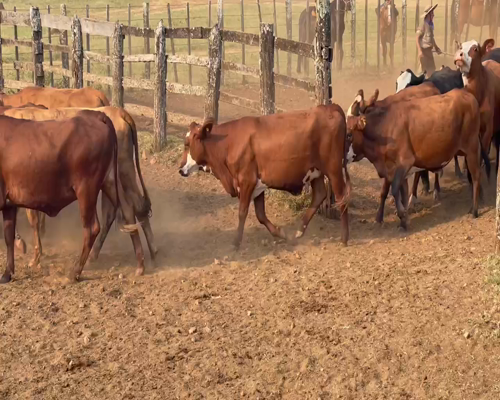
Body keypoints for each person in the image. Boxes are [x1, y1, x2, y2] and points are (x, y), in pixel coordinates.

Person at [416, 4, 441, 77]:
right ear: (428, 15)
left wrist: (436, 47)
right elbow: (417, 38)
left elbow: (431, 38)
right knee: (424, 72)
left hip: (429, 51)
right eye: (432, 13)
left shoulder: (430, 25)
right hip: (424, 51)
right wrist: (419, 51)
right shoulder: (423, 24)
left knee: (432, 70)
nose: (433, 15)